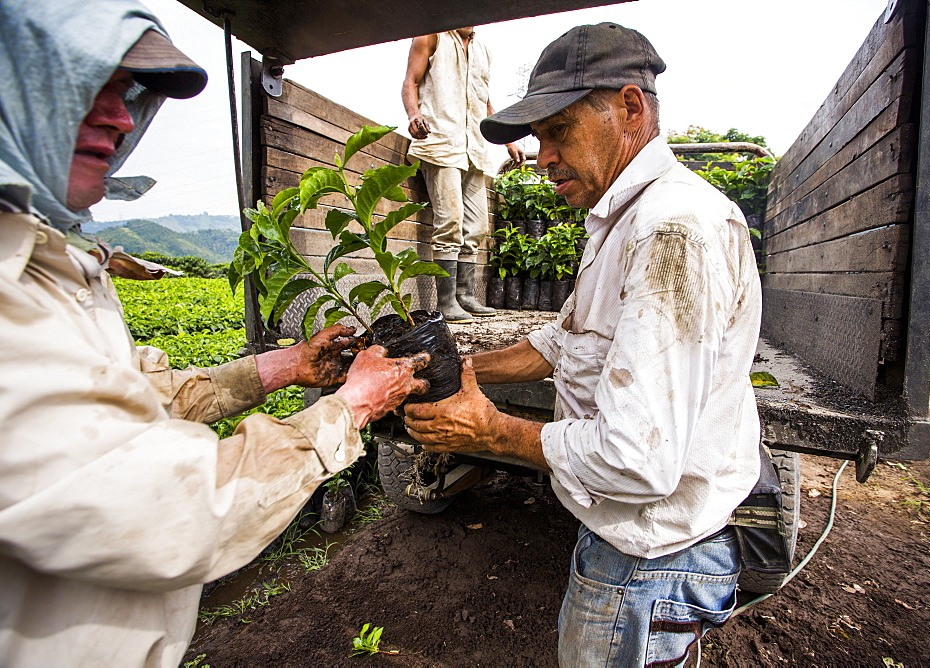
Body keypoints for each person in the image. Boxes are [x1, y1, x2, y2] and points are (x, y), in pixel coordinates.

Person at [0, 1, 428, 665]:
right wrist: (349, 409)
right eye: (90, 86)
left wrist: (281, 367)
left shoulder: (49, 263)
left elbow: (136, 401)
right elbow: (165, 508)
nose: (119, 118)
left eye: (125, 95)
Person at [403, 22, 762, 667]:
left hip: (647, 561)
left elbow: (636, 462)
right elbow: (563, 341)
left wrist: (488, 433)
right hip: (634, 547)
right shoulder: (619, 217)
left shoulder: (670, 232)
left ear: (631, 107)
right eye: (540, 137)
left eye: (559, 130)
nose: (542, 158)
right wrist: (465, 370)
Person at [402, 26, 526, 323]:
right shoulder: (430, 36)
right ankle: (446, 302)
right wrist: (413, 115)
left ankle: (466, 295)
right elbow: (411, 81)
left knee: (479, 226)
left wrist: (507, 139)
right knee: (451, 222)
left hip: (475, 148)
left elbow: (483, 102)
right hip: (441, 142)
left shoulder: (483, 51)